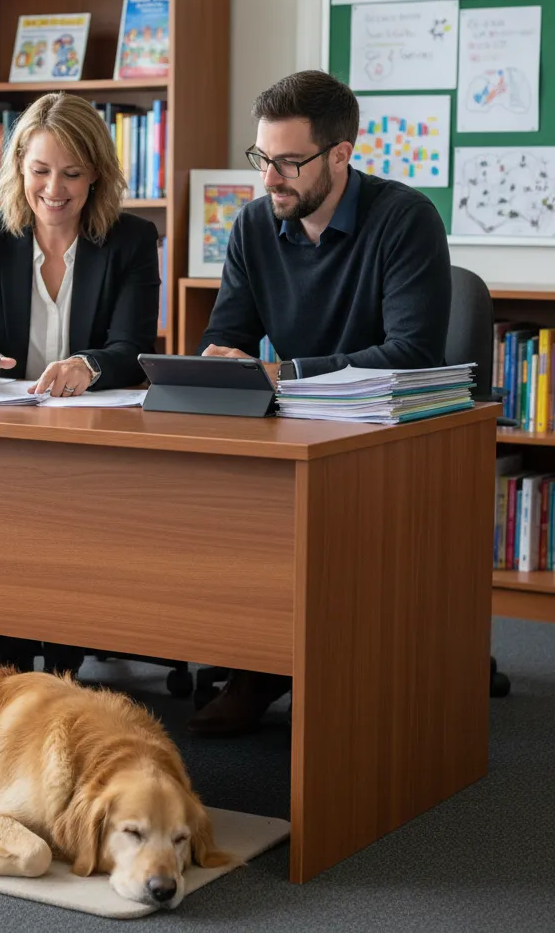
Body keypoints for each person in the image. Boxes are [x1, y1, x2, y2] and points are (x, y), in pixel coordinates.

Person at [187, 69, 451, 737]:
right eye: (262, 158)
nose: (269, 178)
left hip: (385, 434)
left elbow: (413, 353)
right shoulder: (252, 225)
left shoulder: (404, 218)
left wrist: (285, 374)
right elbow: (229, 335)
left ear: (341, 154)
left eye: (287, 162)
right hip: (294, 427)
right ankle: (259, 658)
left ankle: (310, 669)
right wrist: (219, 363)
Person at [0, 91, 161, 673]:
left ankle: (60, 666)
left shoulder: (130, 240)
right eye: (41, 171)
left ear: (97, 176)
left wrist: (90, 366)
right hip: (6, 436)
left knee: (64, 518)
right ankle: (12, 663)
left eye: (73, 174)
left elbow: (135, 353)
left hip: (93, 439)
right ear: (19, 169)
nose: (55, 189)